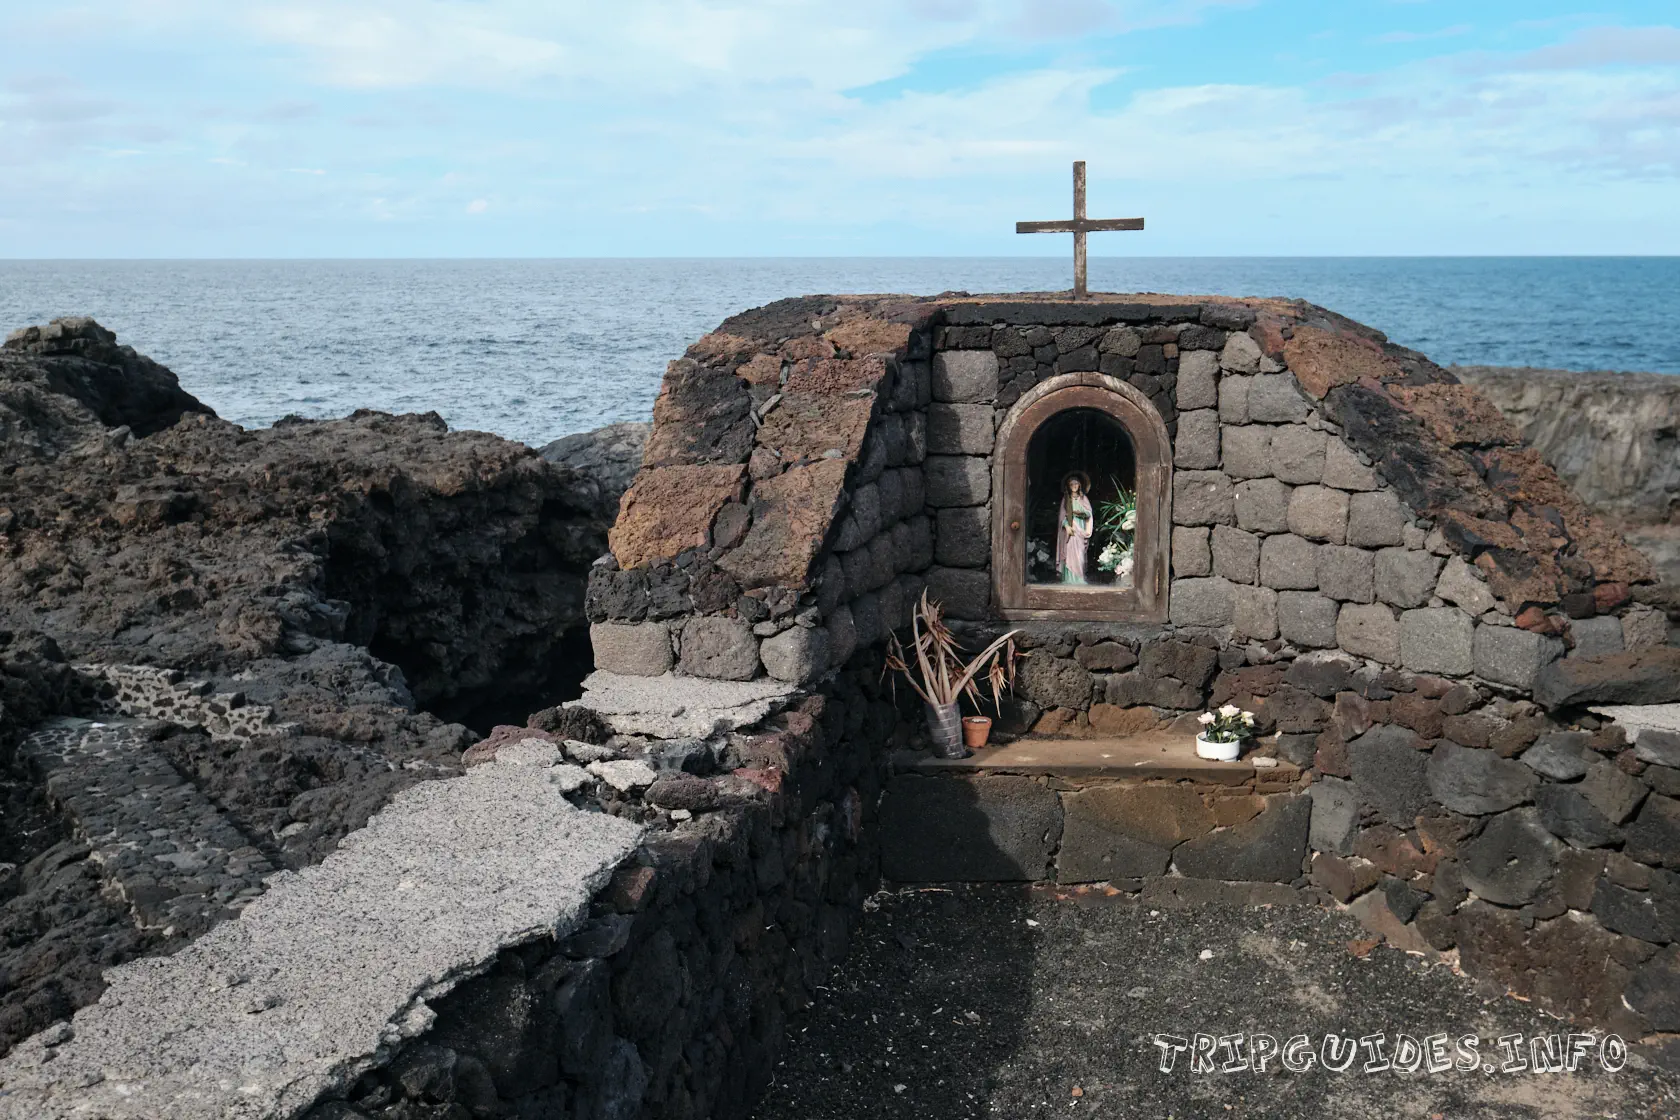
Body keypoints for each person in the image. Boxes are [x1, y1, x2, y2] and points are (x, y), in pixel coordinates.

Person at [1055, 472, 1093, 584]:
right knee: (1070, 554)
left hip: (1080, 529)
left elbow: (1089, 513)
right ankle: (1069, 579)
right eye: (1072, 484)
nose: (1074, 486)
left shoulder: (1083, 498)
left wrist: (1082, 513)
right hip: (1070, 531)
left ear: (1080, 485)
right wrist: (1066, 526)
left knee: (1079, 555)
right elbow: (1062, 517)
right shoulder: (1066, 499)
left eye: (1076, 484)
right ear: (1068, 486)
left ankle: (1079, 578)